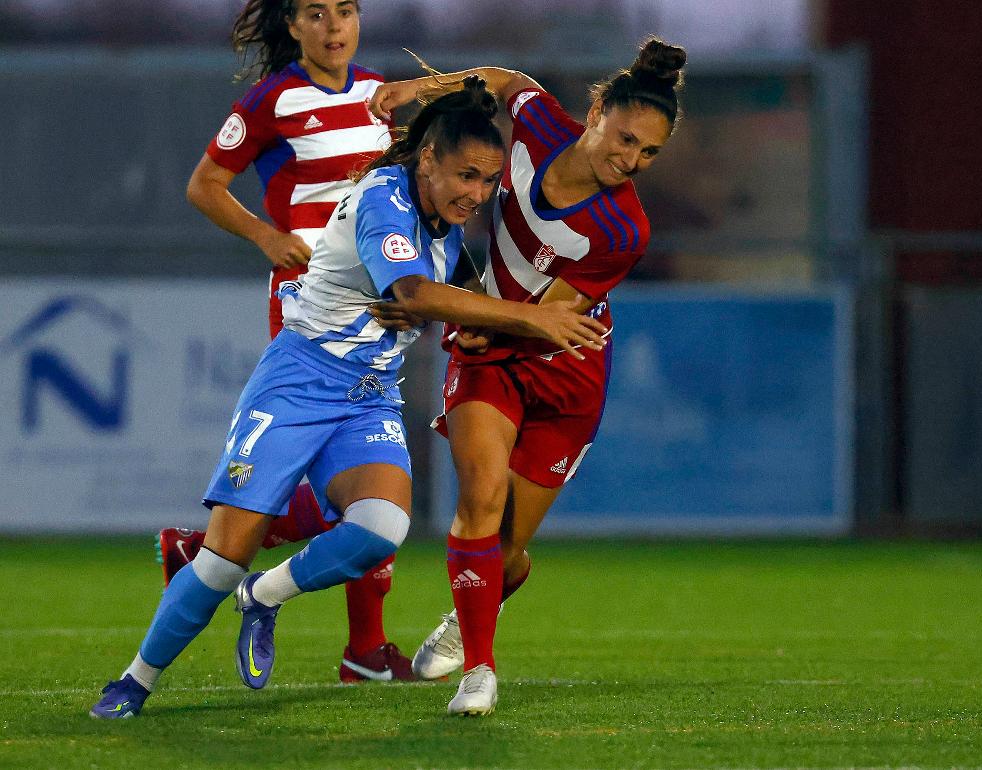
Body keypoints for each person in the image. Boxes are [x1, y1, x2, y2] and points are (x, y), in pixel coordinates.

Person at [89, 79, 608, 719]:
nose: (476, 195)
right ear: (427, 159)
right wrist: (531, 318)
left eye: (487, 181)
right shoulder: (385, 200)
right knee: (221, 561)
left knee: (381, 528)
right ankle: (134, 681)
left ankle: (265, 595)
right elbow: (414, 293)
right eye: (465, 176)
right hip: (299, 382)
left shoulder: (444, 222)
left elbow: (445, 297)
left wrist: (470, 320)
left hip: (368, 396)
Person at [366, 37, 686, 715]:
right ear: (595, 112)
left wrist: (472, 315)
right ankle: (480, 672)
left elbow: (550, 317)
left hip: (566, 368)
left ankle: (469, 616)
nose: (630, 160)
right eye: (625, 138)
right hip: (493, 354)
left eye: (648, 153)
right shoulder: (537, 123)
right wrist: (420, 90)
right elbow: (502, 77)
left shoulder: (624, 228)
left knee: (507, 550)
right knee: (479, 501)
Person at [166, 0, 414, 683]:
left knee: (371, 471)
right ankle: (365, 648)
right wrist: (266, 236)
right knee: (362, 471)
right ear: (293, 26)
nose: (334, 26)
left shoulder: (378, 92)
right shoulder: (272, 99)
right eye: (316, 13)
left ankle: (205, 552)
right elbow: (204, 184)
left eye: (345, 10)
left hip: (377, 302)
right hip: (307, 303)